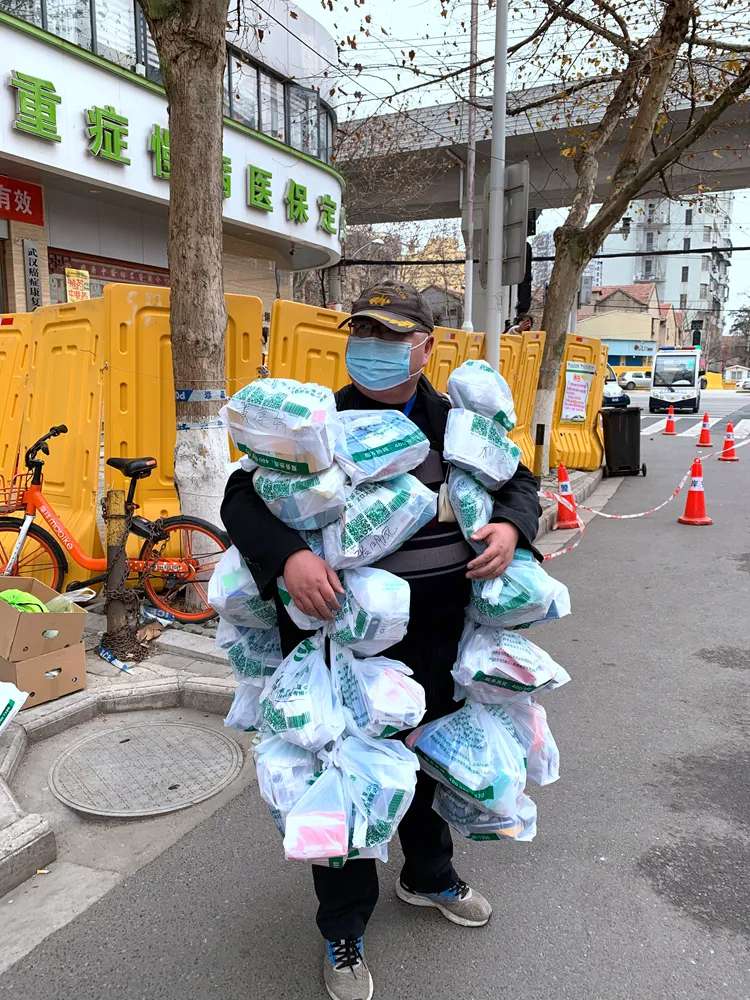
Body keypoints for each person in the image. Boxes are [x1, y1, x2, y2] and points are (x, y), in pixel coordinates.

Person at [221, 281, 541, 1000]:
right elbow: (240, 497)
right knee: (346, 772)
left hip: (440, 632)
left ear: (427, 348)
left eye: (393, 337)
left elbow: (521, 482)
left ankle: (427, 876)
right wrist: (289, 557)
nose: (373, 350)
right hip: (345, 638)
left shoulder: (457, 424)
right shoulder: (318, 422)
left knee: (430, 754)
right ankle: (344, 925)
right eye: (363, 333)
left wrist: (515, 527)